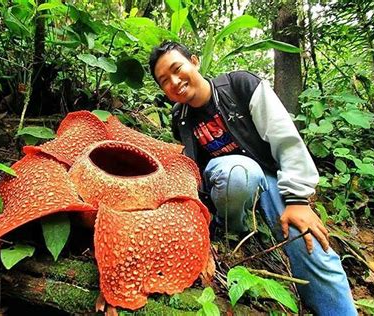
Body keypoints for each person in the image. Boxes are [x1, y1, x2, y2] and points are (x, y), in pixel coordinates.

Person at [149, 41, 357, 315]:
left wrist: (297, 200)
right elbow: (192, 170)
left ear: (195, 61)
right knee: (237, 172)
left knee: (307, 238)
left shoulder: (241, 87)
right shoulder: (181, 117)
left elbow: (286, 140)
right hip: (225, 189)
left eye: (177, 69)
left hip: (269, 179)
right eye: (164, 80)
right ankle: (234, 228)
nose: (174, 81)